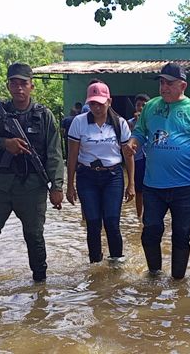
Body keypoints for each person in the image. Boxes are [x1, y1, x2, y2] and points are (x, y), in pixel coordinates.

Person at [124, 62, 190, 279]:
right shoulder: (151, 106)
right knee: (150, 232)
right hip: (153, 186)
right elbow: (139, 132)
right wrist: (132, 142)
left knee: (182, 236)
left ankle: (178, 281)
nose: (164, 87)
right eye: (162, 83)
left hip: (183, 186)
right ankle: (154, 275)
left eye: (169, 83)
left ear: (182, 85)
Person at [0, 62, 64, 282]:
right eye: (14, 83)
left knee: (34, 236)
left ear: (32, 86)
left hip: (32, 186)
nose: (19, 88)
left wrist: (57, 186)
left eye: (23, 83)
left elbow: (54, 153)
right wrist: (4, 143)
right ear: (8, 86)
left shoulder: (44, 115)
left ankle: (40, 285)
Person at [66, 82, 135, 263]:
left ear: (109, 101)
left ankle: (116, 262)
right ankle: (95, 263)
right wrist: (69, 185)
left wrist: (131, 184)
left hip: (113, 177)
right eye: (92, 103)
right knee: (93, 223)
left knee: (112, 223)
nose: (96, 107)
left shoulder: (120, 124)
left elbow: (128, 156)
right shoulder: (79, 123)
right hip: (87, 177)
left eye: (100, 103)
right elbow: (72, 155)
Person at [127, 93, 150, 219]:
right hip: (138, 160)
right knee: (139, 190)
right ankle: (139, 216)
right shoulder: (130, 123)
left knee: (152, 190)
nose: (140, 108)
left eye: (143, 105)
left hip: (151, 159)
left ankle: (150, 214)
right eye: (138, 105)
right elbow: (128, 140)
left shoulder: (153, 121)